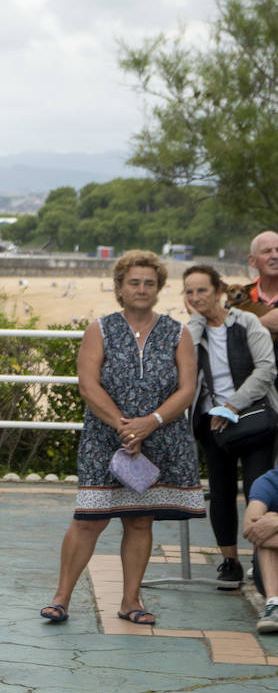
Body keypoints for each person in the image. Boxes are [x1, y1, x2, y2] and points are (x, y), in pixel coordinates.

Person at [40, 250, 203, 626]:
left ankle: (131, 601)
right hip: (105, 438)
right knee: (89, 520)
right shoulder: (99, 329)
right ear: (119, 287)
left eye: (150, 283)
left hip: (160, 438)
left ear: (159, 288)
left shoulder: (178, 333)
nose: (142, 289)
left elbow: (187, 388)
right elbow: (87, 384)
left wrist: (151, 422)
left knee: (140, 520)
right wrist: (125, 426)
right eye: (134, 282)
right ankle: (61, 598)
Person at [181, 265, 278, 584]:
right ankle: (229, 561)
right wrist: (196, 321)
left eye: (202, 290)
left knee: (257, 491)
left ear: (219, 291)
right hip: (211, 424)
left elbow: (266, 370)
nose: (196, 297)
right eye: (189, 291)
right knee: (220, 492)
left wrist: (232, 405)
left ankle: (263, 563)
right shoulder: (192, 330)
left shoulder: (247, 322)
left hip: (253, 418)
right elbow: (184, 368)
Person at [242, 468, 278, 632]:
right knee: (262, 528)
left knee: (269, 526)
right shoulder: (269, 481)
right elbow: (250, 529)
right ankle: (274, 605)